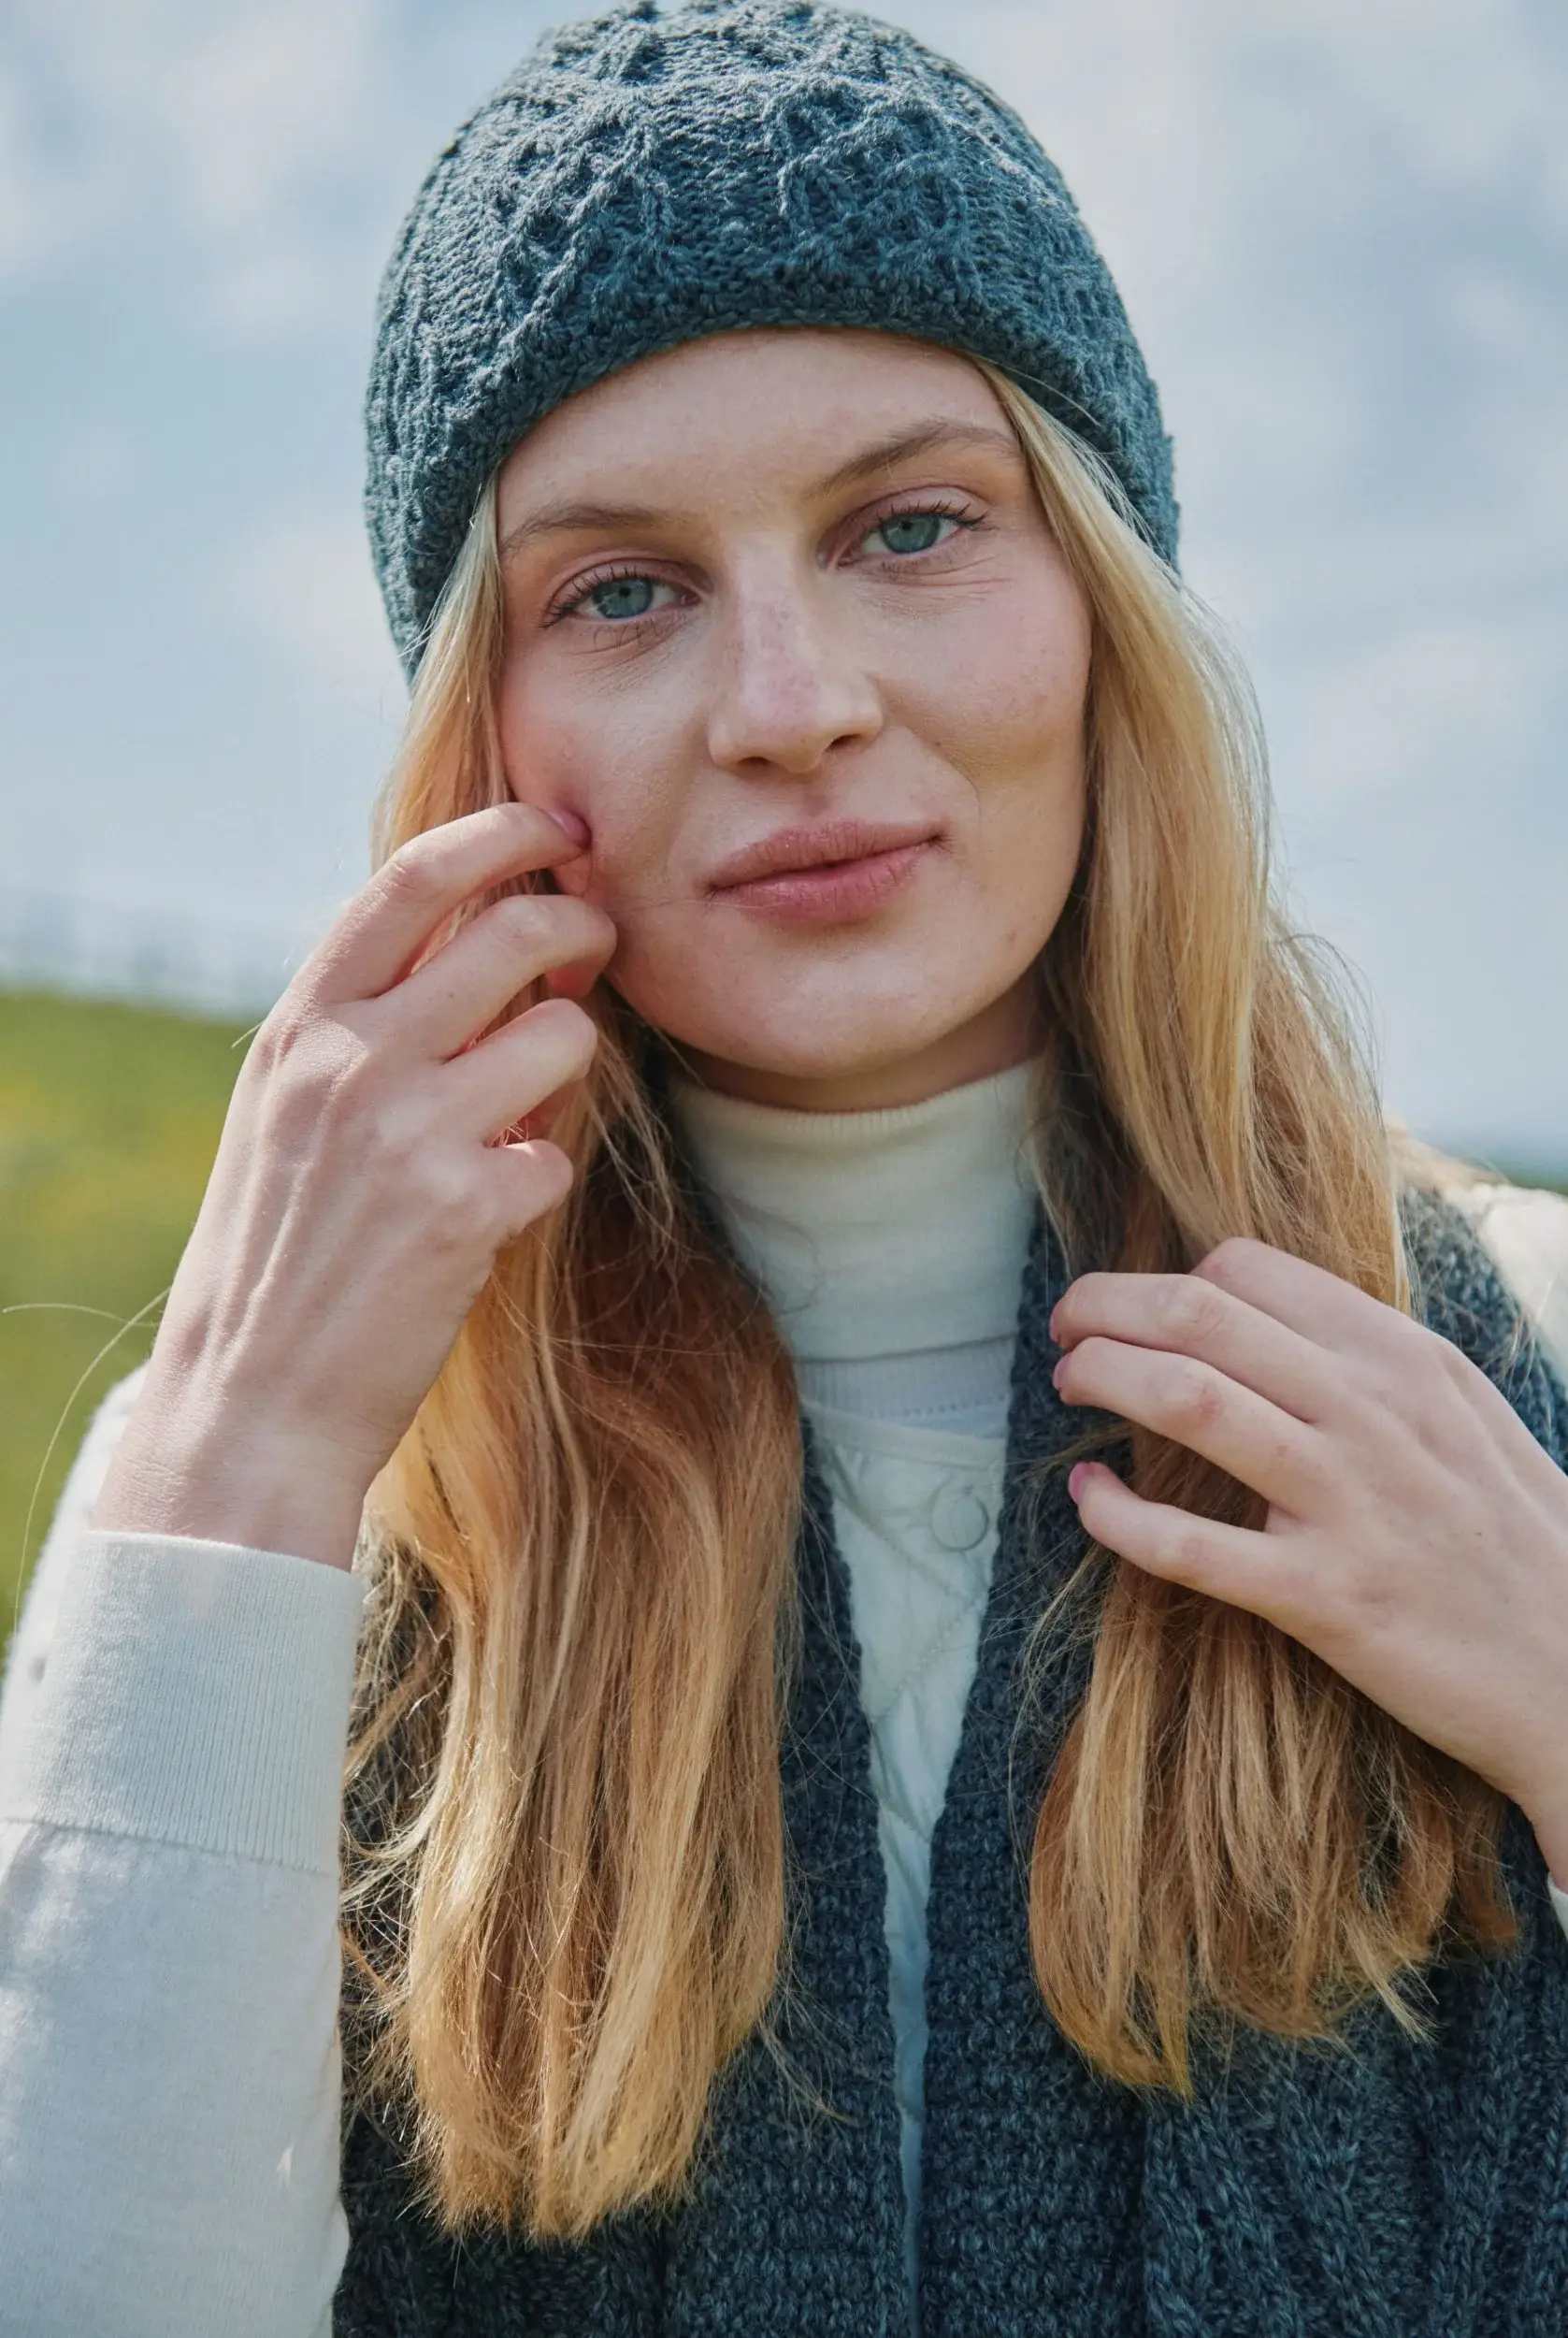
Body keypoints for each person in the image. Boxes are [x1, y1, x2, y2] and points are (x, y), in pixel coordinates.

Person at [3, 4, 1568, 2332]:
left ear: (1100, 608)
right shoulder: (272, 1492)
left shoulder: (1525, 1352)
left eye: (911, 526)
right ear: (486, 728)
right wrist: (240, 1466)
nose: (788, 696)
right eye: (620, 589)